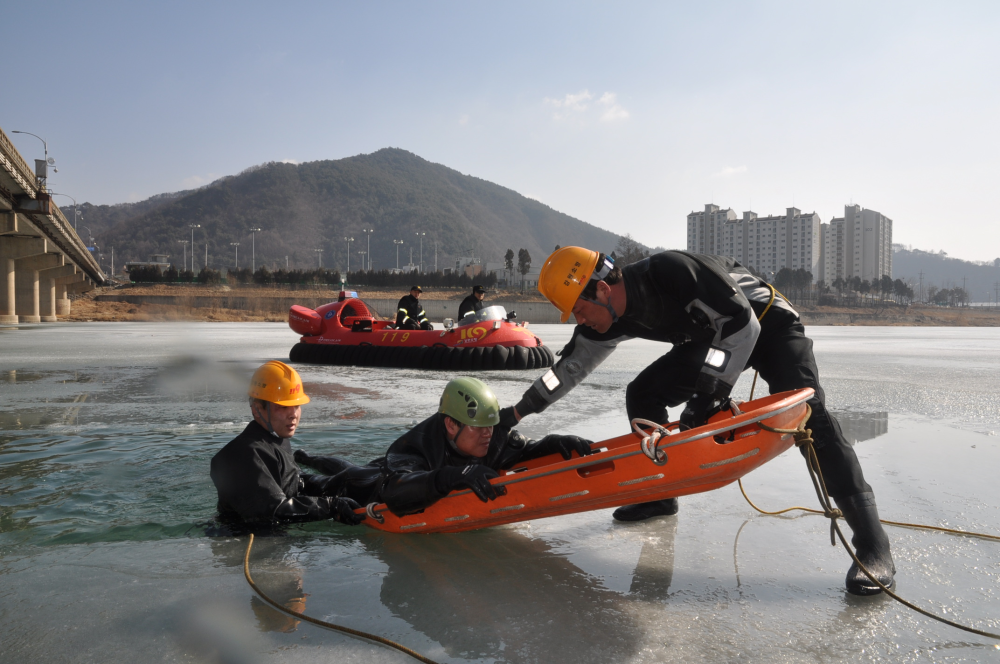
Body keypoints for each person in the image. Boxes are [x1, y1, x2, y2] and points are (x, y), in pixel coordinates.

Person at [499, 246, 895, 596]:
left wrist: (705, 401)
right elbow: (567, 368)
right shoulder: (607, 317)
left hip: (767, 323)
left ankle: (873, 546)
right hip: (711, 340)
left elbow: (742, 325)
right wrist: (516, 412)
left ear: (601, 289)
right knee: (644, 394)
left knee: (812, 419)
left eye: (581, 311)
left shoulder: (670, 271)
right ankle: (659, 494)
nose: (581, 321)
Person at [294, 377, 595, 517]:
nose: (488, 435)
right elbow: (395, 491)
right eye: (479, 428)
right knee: (334, 477)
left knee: (348, 465)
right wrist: (454, 475)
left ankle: (309, 457)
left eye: (491, 426)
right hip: (366, 485)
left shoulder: (487, 436)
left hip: (385, 470)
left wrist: (554, 444)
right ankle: (305, 461)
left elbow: (520, 450)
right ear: (452, 425)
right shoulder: (412, 448)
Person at [210, 360, 365, 527]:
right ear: (257, 409)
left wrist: (344, 488)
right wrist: (331, 506)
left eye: (296, 405)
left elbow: (294, 483)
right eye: (282, 407)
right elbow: (271, 510)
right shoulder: (243, 454)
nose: (293, 414)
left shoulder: (275, 441)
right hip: (241, 542)